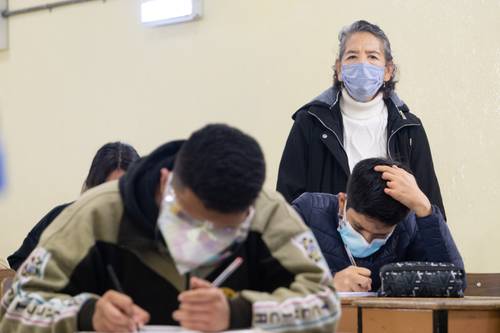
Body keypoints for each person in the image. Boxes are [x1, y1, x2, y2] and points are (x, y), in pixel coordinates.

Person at [0, 124, 340, 333]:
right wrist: (86, 315)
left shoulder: (268, 214)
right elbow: (14, 307)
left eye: (223, 232)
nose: (201, 238)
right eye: (190, 219)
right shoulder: (97, 214)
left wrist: (242, 312)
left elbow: (325, 305)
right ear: (167, 183)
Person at [277, 20, 446, 219]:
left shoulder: (409, 129)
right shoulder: (310, 123)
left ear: (387, 71)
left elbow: (431, 210)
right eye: (352, 56)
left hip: (395, 248)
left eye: (373, 56)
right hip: (324, 247)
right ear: (339, 69)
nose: (362, 64)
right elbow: (286, 207)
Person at [292, 158, 463, 292]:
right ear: (343, 201)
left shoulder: (407, 225)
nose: (366, 241)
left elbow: (454, 282)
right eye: (358, 228)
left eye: (380, 236)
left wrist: (425, 209)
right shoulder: (308, 212)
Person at [7, 141, 140, 270]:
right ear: (94, 186)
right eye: (107, 190)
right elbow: (19, 263)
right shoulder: (62, 219)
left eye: (122, 191)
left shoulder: (147, 231)